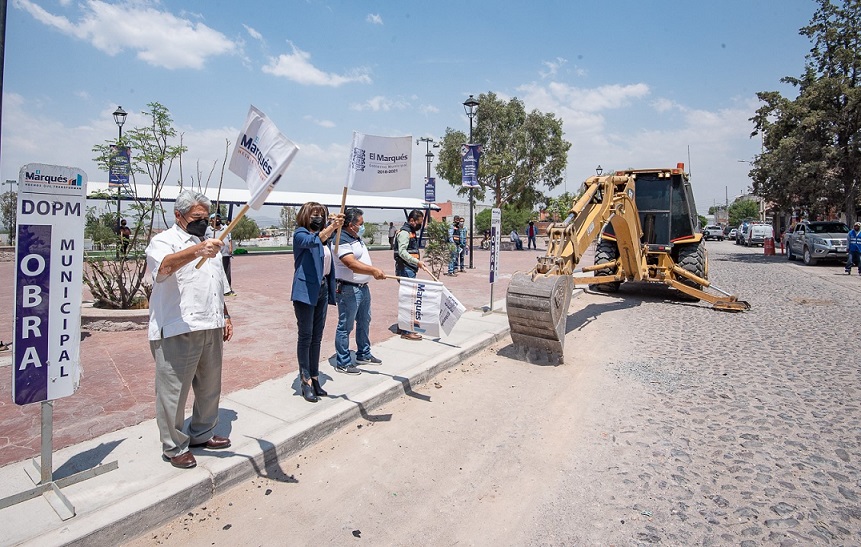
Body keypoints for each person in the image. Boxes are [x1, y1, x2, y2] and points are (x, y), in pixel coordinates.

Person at [145, 190, 233, 470]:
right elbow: (163, 268)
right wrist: (197, 250)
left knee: (209, 387)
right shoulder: (163, 242)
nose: (203, 222)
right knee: (173, 392)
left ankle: (202, 433)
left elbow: (218, 284)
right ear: (179, 215)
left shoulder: (212, 244)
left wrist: (226, 316)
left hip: (211, 325)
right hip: (176, 328)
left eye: (206, 218)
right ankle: (174, 446)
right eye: (197, 217)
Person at [291, 202, 344, 403]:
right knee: (305, 336)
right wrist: (331, 227)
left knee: (317, 336)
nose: (318, 218)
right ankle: (305, 381)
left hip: (322, 289)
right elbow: (314, 240)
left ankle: (315, 376)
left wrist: (334, 224)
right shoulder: (301, 234)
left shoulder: (325, 237)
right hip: (305, 291)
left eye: (321, 215)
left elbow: (325, 241)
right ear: (306, 216)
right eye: (314, 215)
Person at [334, 207, 387, 374]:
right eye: (361, 224)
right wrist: (372, 271)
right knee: (345, 326)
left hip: (363, 288)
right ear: (351, 225)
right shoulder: (340, 239)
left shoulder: (355, 237)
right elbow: (350, 263)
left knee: (364, 321)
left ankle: (363, 353)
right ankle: (343, 361)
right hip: (349, 289)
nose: (362, 226)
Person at [394, 210, 426, 340]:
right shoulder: (404, 233)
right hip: (406, 269)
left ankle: (403, 326)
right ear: (412, 220)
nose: (420, 224)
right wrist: (417, 262)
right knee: (409, 299)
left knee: (408, 298)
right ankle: (407, 331)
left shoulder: (410, 231)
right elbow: (402, 252)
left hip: (410, 269)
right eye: (419, 222)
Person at [207, 214, 236, 296]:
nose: (218, 220)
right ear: (211, 220)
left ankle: (228, 289)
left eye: (219, 218)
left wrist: (230, 248)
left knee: (227, 272)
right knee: (216, 272)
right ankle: (217, 289)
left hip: (225, 254)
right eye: (215, 218)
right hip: (214, 255)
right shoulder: (207, 230)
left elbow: (229, 239)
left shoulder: (225, 228)